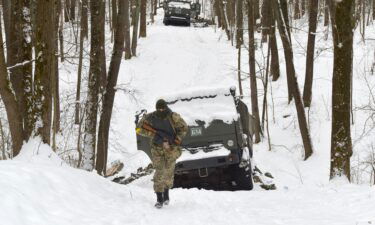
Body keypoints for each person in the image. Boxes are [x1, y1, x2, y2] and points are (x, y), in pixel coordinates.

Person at [136, 99, 188, 208]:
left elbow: (184, 128)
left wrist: (177, 139)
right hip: (157, 148)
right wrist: (153, 135)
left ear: (166, 107)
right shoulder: (150, 117)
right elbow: (138, 129)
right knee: (159, 171)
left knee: (168, 172)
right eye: (158, 108)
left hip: (171, 148)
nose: (161, 110)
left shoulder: (173, 117)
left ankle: (166, 195)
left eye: (163, 108)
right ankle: (159, 199)